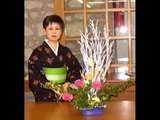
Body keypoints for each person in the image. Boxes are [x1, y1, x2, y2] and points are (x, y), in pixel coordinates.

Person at [28, 14, 82, 102]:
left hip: (64, 91)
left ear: (62, 31)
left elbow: (75, 69)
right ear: (44, 31)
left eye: (57, 29)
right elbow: (34, 75)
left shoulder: (66, 51)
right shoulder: (38, 52)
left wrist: (67, 83)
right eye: (50, 29)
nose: (54, 32)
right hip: (46, 93)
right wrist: (52, 86)